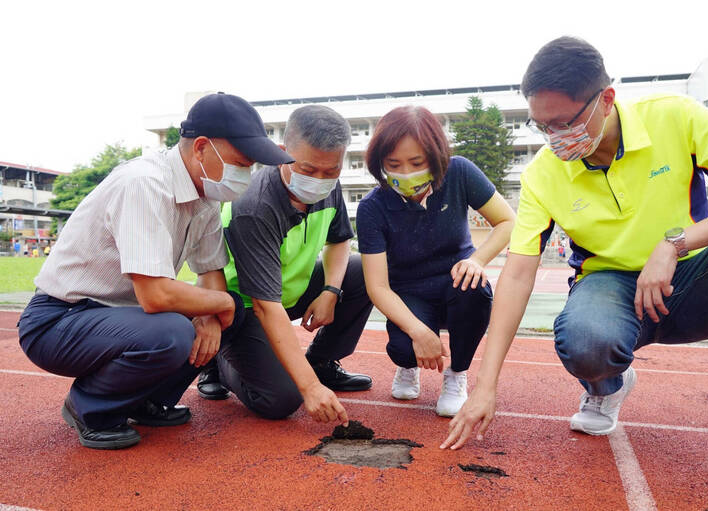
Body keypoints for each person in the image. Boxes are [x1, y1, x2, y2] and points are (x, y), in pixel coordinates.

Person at [442, 37, 708, 500]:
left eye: (563, 123)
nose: (554, 139)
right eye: (542, 126)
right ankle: (606, 384)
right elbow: (517, 274)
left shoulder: (675, 117)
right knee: (585, 339)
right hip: (609, 286)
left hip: (696, 273)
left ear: (605, 99)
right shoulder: (542, 174)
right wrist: (484, 387)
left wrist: (674, 244)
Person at [17, 92, 293, 450]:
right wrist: (219, 303)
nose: (246, 174)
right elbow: (156, 294)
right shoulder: (144, 183)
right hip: (60, 320)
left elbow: (210, 271)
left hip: (122, 318)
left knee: (228, 316)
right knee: (173, 330)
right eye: (241, 162)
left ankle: (147, 400)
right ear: (201, 148)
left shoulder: (206, 197)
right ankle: (90, 408)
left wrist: (215, 312)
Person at [197, 104, 373, 424]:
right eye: (308, 169)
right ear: (282, 154)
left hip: (288, 290)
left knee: (360, 272)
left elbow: (339, 241)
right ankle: (221, 363)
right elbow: (265, 306)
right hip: (243, 305)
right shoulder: (254, 206)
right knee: (281, 399)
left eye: (331, 170)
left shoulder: (327, 186)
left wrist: (331, 291)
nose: (320, 180)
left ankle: (322, 362)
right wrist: (309, 388)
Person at [356, 106, 515, 417]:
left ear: (436, 156)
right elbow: (377, 287)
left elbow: (508, 222)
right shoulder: (372, 208)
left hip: (455, 281)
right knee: (403, 348)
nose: (406, 173)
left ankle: (456, 374)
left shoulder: (460, 173)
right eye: (394, 164)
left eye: (417, 163)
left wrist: (477, 260)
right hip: (409, 292)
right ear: (380, 164)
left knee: (476, 289)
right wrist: (419, 332)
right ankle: (407, 367)